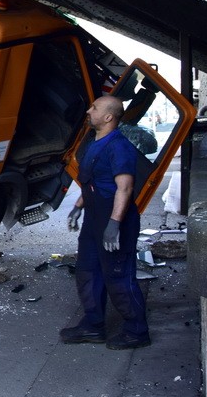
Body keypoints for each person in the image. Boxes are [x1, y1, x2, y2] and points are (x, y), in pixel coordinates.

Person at [62, 94, 150, 350]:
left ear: (109, 117)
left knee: (118, 275)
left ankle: (137, 331)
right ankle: (93, 326)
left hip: (114, 220)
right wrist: (78, 207)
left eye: (94, 108)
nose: (89, 110)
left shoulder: (118, 146)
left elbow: (124, 188)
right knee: (87, 271)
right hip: (93, 218)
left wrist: (114, 224)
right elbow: (92, 181)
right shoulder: (94, 142)